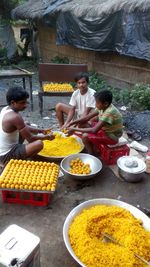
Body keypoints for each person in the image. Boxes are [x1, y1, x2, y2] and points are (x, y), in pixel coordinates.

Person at [0, 86, 54, 165]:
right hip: (5, 156)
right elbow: (31, 139)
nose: (25, 105)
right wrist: (47, 137)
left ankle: (21, 152)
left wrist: (41, 131)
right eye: (22, 103)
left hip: (6, 148)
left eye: (26, 102)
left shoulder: (6, 109)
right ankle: (18, 162)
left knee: (26, 124)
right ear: (13, 102)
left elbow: (25, 127)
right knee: (39, 144)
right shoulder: (15, 117)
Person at [67, 89, 123, 155]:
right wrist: (72, 123)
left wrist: (73, 129)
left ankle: (92, 154)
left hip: (112, 136)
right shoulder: (104, 107)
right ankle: (93, 145)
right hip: (105, 129)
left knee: (85, 136)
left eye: (97, 103)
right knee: (82, 123)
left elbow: (94, 130)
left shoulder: (109, 112)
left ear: (105, 104)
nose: (95, 105)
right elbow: (87, 118)